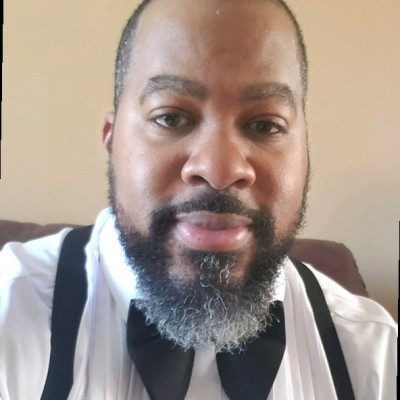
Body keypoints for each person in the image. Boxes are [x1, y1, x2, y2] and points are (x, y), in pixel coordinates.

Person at [0, 0, 396, 399]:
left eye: (265, 124)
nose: (220, 170)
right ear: (111, 139)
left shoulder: (373, 358)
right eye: (171, 117)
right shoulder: (11, 313)